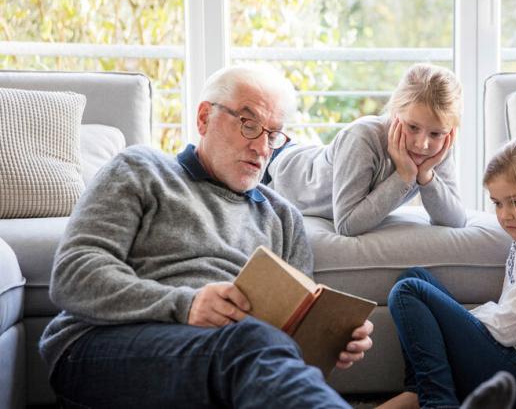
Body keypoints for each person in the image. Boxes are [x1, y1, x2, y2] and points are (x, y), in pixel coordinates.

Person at [39, 63, 374, 409]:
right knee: (246, 343)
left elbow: (284, 351)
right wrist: (187, 305)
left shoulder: (283, 218)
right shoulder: (141, 169)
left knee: (250, 348)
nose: (262, 148)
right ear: (204, 118)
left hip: (224, 360)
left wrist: (329, 340)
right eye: (249, 125)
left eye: (273, 135)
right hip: (102, 347)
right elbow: (73, 276)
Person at [380, 134, 516, 409]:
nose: (505, 214)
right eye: (498, 203)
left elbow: (507, 329)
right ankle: (420, 392)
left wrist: (456, 319)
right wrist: (450, 319)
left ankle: (437, 401)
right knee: (414, 277)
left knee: (409, 291)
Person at [264, 63, 466, 236]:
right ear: (395, 113)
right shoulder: (361, 137)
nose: (422, 144)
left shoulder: (437, 150)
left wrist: (426, 176)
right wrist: (404, 176)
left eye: (436, 134)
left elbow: (455, 220)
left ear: (450, 132)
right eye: (413, 127)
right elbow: (347, 225)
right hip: (274, 166)